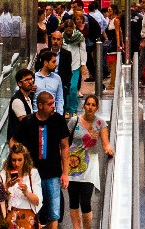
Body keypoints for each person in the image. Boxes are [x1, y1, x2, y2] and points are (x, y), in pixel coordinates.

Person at [68, 93, 113, 229]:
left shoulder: (100, 123)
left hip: (89, 166)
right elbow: (64, 142)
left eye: (93, 105)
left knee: (86, 200)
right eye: (88, 104)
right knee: (73, 200)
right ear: (84, 105)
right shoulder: (73, 121)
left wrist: (109, 150)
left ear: (97, 108)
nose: (90, 107)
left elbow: (106, 144)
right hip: (72, 164)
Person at [25, 90, 70, 225]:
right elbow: (14, 141)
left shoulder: (58, 120)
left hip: (53, 174)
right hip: (33, 174)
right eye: (50, 104)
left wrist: (65, 173)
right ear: (40, 105)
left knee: (54, 213)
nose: (53, 106)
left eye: (53, 103)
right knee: (34, 213)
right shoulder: (28, 121)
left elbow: (65, 147)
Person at [2, 141, 42, 229]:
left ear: (25, 159)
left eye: (20, 160)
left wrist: (26, 192)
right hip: (10, 215)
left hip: (27, 215)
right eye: (14, 160)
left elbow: (37, 201)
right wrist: (7, 186)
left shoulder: (33, 173)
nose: (16, 164)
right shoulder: (4, 173)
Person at [33, 49, 65, 115]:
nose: (56, 64)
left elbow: (59, 99)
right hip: (36, 115)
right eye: (53, 62)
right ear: (45, 63)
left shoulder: (57, 78)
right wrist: (29, 89)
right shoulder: (33, 78)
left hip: (52, 115)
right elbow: (19, 90)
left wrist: (59, 115)